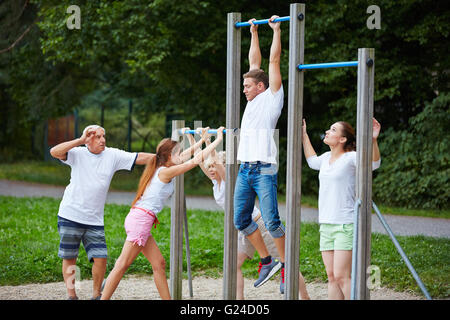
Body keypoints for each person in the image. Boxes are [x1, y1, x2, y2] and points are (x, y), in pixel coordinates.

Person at [101, 127, 224, 300]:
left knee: (159, 264)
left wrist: (202, 139)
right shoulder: (165, 172)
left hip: (139, 219)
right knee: (122, 265)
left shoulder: (161, 166)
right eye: (177, 153)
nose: (180, 156)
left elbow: (188, 156)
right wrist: (217, 140)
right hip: (140, 221)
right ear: (168, 157)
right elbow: (193, 161)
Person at [186, 132, 310, 299]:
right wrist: (191, 138)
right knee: (233, 264)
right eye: (210, 167)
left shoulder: (231, 181)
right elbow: (200, 159)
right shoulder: (216, 183)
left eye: (214, 166)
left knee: (286, 263)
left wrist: (209, 139)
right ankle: (239, 300)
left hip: (260, 226)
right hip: (245, 230)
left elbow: (215, 160)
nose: (211, 169)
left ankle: (305, 296)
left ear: (224, 168)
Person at [50, 125, 154, 300]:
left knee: (101, 257)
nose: (102, 140)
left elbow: (139, 157)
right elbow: (54, 151)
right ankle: (72, 295)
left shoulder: (112, 155)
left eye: (103, 136)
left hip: (94, 220)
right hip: (70, 214)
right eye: (97, 137)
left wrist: (165, 158)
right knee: (70, 258)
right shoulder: (77, 153)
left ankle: (96, 294)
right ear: (87, 140)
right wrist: (80, 140)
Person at [302, 118, 381, 300]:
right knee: (331, 277)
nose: (328, 132)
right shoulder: (325, 159)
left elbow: (373, 164)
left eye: (333, 130)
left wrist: (374, 140)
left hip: (345, 224)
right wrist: (304, 135)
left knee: (342, 276)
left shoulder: (350, 157)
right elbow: (312, 161)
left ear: (342, 139)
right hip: (326, 225)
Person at [234, 16, 286, 289]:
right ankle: (267, 261)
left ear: (261, 87)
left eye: (247, 86)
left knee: (272, 220)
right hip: (245, 168)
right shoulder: (253, 97)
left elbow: (272, 62)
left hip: (264, 168)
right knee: (240, 219)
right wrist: (254, 32)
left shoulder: (272, 99)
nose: (243, 89)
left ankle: (287, 265)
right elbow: (255, 64)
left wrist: (276, 31)